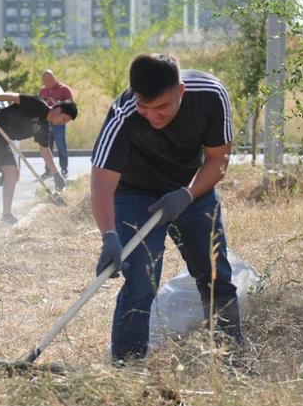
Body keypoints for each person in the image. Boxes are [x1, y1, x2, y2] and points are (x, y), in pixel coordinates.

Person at [90, 53, 245, 362]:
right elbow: (102, 183)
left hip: (192, 188)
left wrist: (187, 195)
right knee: (140, 281)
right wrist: (109, 236)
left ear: (181, 92)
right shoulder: (123, 114)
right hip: (135, 194)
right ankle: (128, 365)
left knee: (215, 274)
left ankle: (231, 359)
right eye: (144, 107)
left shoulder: (210, 95)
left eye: (162, 107)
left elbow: (218, 161)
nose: (153, 117)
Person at [0, 92, 77, 225]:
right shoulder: (37, 104)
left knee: (12, 173)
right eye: (63, 119)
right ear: (58, 110)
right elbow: (12, 97)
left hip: (3, 139)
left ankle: (6, 214)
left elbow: (44, 150)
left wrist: (56, 174)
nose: (61, 123)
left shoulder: (44, 127)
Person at [38, 69, 74, 178]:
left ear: (53, 79)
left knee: (61, 146)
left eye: (49, 80)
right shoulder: (42, 91)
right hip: (46, 123)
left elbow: (70, 105)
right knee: (46, 147)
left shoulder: (64, 89)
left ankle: (64, 169)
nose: (46, 83)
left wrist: (56, 103)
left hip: (59, 123)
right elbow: (38, 105)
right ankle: (48, 170)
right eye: (44, 81)